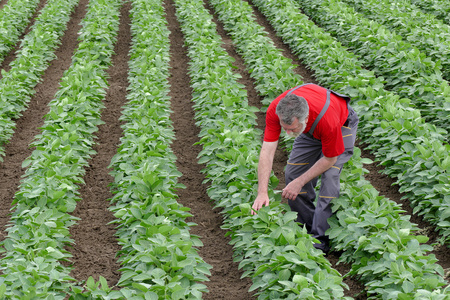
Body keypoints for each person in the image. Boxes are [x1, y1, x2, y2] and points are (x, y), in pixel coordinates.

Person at [251, 83, 359, 253]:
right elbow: (267, 151)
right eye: (284, 128)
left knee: (329, 180)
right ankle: (304, 228)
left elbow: (330, 159)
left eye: (291, 129)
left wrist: (300, 182)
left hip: (340, 124)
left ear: (305, 119)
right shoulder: (276, 110)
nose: (287, 133)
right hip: (310, 130)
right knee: (293, 173)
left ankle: (319, 241)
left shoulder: (327, 120)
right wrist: (262, 192)